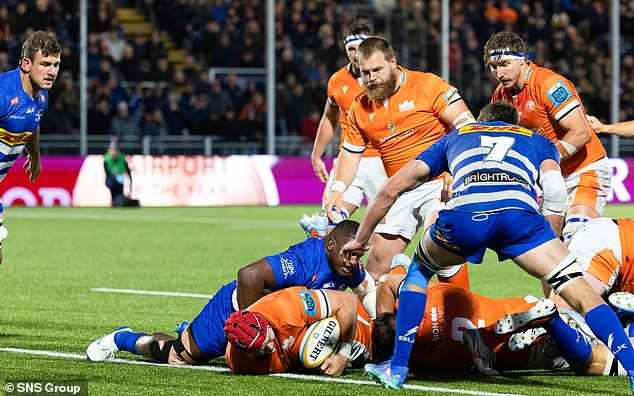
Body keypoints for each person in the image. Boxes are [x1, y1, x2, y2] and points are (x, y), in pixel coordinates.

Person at [341, 101, 634, 390]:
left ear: (480, 120)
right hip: (519, 218)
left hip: (466, 216)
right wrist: (549, 241)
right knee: (581, 291)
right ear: (514, 124)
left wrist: (360, 238)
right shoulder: (538, 140)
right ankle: (632, 368)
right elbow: (555, 191)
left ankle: (397, 367)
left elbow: (391, 189)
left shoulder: (456, 137)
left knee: (418, 273)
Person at [86, 221, 380, 364]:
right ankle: (122, 339)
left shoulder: (349, 267)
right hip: (234, 309)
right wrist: (254, 329)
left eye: (358, 256)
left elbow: (368, 293)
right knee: (178, 355)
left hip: (283, 323)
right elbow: (248, 275)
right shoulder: (305, 260)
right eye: (349, 254)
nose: (354, 262)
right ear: (330, 245)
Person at [324, 36, 475, 283]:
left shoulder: (427, 85)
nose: (371, 78)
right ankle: (377, 319)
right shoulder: (359, 108)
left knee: (440, 242)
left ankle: (461, 318)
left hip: (439, 182)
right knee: (375, 265)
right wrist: (338, 189)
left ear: (393, 62)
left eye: (377, 70)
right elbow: (350, 154)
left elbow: (467, 126)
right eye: (365, 73)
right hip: (400, 188)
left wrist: (455, 170)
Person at [484, 31, 610, 243]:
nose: (498, 72)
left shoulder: (549, 85)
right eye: (493, 66)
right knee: (547, 248)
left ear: (522, 59)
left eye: (505, 64)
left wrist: (545, 162)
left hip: (584, 171)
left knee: (576, 237)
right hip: (551, 179)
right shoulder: (500, 96)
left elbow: (581, 133)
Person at [374, 274, 630, 378]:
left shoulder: (422, 360)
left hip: (521, 349)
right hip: (521, 305)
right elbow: (386, 281)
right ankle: (622, 316)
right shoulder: (429, 293)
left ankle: (551, 320)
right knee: (611, 337)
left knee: (592, 364)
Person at [309, 19, 387, 223]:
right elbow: (329, 117)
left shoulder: (386, 76)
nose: (356, 53)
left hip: (382, 158)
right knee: (330, 216)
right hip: (348, 157)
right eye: (351, 48)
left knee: (387, 227)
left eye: (361, 47)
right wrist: (317, 155)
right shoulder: (337, 81)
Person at [0, 31, 61, 265]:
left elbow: (32, 123)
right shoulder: (4, 94)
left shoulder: (41, 97)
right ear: (26, 64)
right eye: (45, 64)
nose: (52, 71)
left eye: (56, 64)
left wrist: (34, 155)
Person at [224, 286, 372, 376]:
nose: (270, 347)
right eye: (260, 351)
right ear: (247, 353)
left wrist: (343, 355)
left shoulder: (287, 306)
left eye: (268, 340)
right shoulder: (240, 363)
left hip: (351, 328)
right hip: (300, 352)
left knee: (384, 342)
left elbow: (348, 301)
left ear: (266, 324)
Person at [103, 141, 134, 207]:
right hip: (111, 179)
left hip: (121, 178)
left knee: (122, 186)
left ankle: (120, 200)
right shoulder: (107, 160)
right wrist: (116, 177)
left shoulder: (122, 159)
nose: (113, 152)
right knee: (113, 185)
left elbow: (127, 171)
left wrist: (128, 180)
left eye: (115, 150)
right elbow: (107, 173)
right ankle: (114, 200)